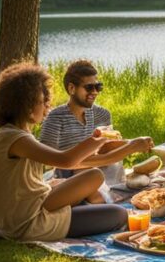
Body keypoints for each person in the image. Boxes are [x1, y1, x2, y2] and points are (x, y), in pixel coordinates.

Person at [0, 63, 138, 241]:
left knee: (93, 176)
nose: (47, 107)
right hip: (29, 223)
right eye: (43, 102)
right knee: (118, 214)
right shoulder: (15, 138)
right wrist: (100, 139)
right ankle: (79, 209)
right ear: (25, 105)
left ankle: (80, 207)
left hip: (30, 209)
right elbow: (65, 160)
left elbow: (26, 181)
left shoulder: (11, 133)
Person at [39, 60, 154, 190]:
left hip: (103, 172)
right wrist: (129, 148)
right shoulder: (55, 117)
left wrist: (135, 143)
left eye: (98, 86)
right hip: (69, 178)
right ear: (72, 88)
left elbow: (106, 147)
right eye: (89, 87)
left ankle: (112, 189)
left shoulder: (102, 114)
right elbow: (48, 160)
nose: (95, 92)